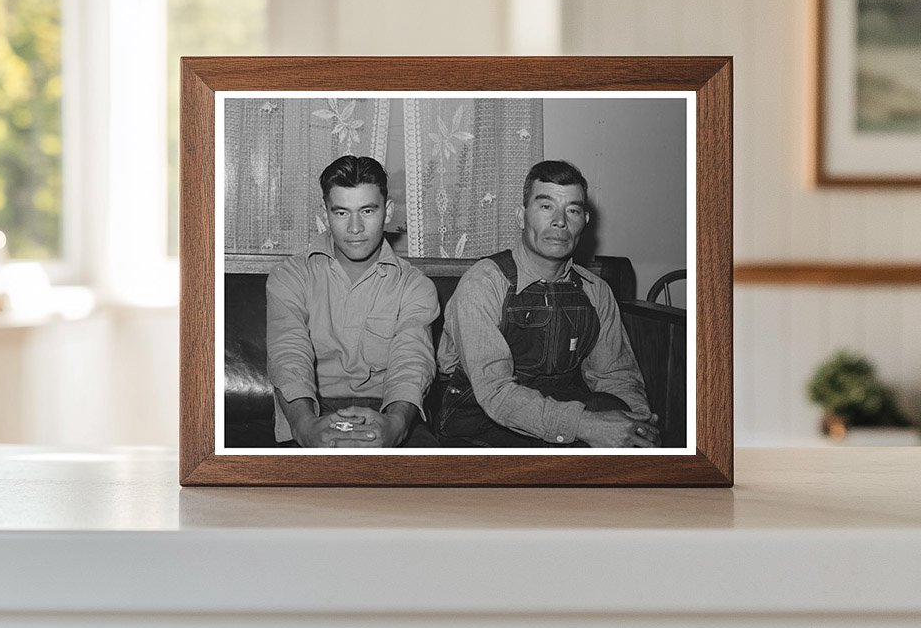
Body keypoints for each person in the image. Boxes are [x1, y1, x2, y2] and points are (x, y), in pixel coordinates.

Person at [437, 159, 660, 449]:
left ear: (585, 222)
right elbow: (496, 393)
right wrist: (586, 425)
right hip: (479, 422)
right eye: (546, 207)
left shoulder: (596, 292)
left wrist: (636, 426)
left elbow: (615, 376)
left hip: (562, 412)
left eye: (573, 210)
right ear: (521, 217)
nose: (560, 221)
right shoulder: (483, 283)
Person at [266, 155, 440, 448]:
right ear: (325, 213)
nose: (355, 227)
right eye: (342, 213)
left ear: (388, 212)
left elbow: (412, 361)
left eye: (367, 210)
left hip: (388, 409)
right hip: (311, 409)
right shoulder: (289, 277)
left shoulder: (416, 287)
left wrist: (395, 426)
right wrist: (304, 426)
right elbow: (288, 353)